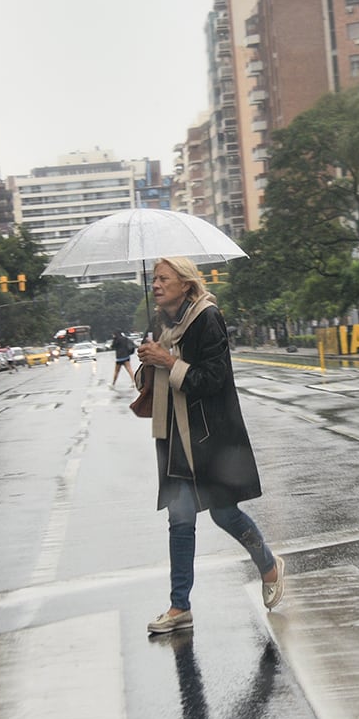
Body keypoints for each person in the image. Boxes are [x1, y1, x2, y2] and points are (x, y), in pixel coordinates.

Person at [135, 256, 284, 635]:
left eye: (163, 278)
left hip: (208, 436)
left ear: (185, 284)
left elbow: (215, 378)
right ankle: (179, 606)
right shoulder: (159, 322)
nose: (155, 284)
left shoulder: (207, 318)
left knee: (224, 513)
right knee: (180, 520)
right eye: (153, 278)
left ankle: (268, 565)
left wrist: (167, 360)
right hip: (172, 435)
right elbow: (153, 378)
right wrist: (147, 363)